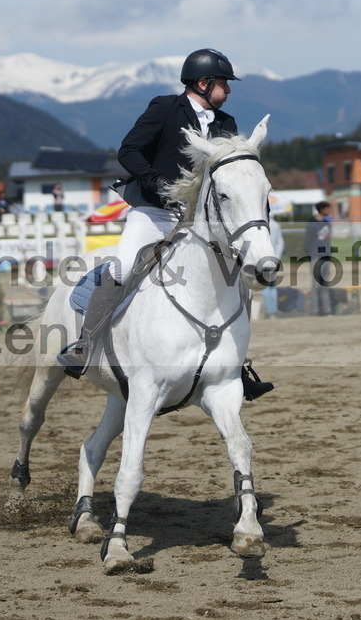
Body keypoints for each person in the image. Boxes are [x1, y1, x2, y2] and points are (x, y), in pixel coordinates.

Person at [59, 48, 273, 400]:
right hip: (155, 212)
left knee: (235, 277)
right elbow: (128, 151)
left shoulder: (227, 125)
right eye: (223, 84)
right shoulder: (164, 108)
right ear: (203, 84)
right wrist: (159, 184)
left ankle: (236, 364)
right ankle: (85, 342)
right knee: (123, 266)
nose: (228, 91)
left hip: (198, 221)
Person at [305, 201, 335, 316]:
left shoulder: (327, 223)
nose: (329, 211)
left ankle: (327, 310)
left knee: (325, 284)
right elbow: (307, 240)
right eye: (327, 208)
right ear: (321, 209)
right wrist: (310, 253)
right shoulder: (312, 223)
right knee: (316, 285)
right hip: (316, 256)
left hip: (326, 256)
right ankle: (314, 310)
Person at [261, 215, 285, 318]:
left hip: (261, 259)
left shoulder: (261, 224)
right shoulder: (275, 224)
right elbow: (280, 243)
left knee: (264, 287)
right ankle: (272, 311)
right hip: (273, 258)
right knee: (271, 287)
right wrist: (277, 257)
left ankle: (269, 311)